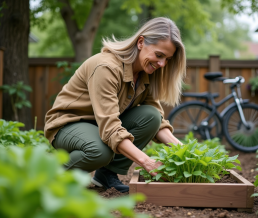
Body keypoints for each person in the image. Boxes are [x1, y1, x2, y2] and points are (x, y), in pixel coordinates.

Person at [44, 17, 186, 193]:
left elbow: (157, 120)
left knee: (151, 116)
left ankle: (106, 174)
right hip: (68, 125)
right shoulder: (107, 67)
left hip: (99, 126)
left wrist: (186, 154)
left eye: (167, 59)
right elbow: (110, 129)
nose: (162, 64)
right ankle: (48, 177)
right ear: (141, 42)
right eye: (159, 55)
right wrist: (147, 162)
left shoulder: (145, 72)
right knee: (99, 151)